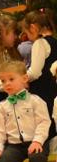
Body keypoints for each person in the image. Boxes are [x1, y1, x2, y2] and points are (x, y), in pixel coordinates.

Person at [22, 9, 57, 137]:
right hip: (52, 87)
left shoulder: (40, 43)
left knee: (44, 121)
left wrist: (22, 79)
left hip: (42, 90)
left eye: (26, 33)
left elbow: (35, 72)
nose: (27, 37)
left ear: (33, 28)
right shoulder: (54, 41)